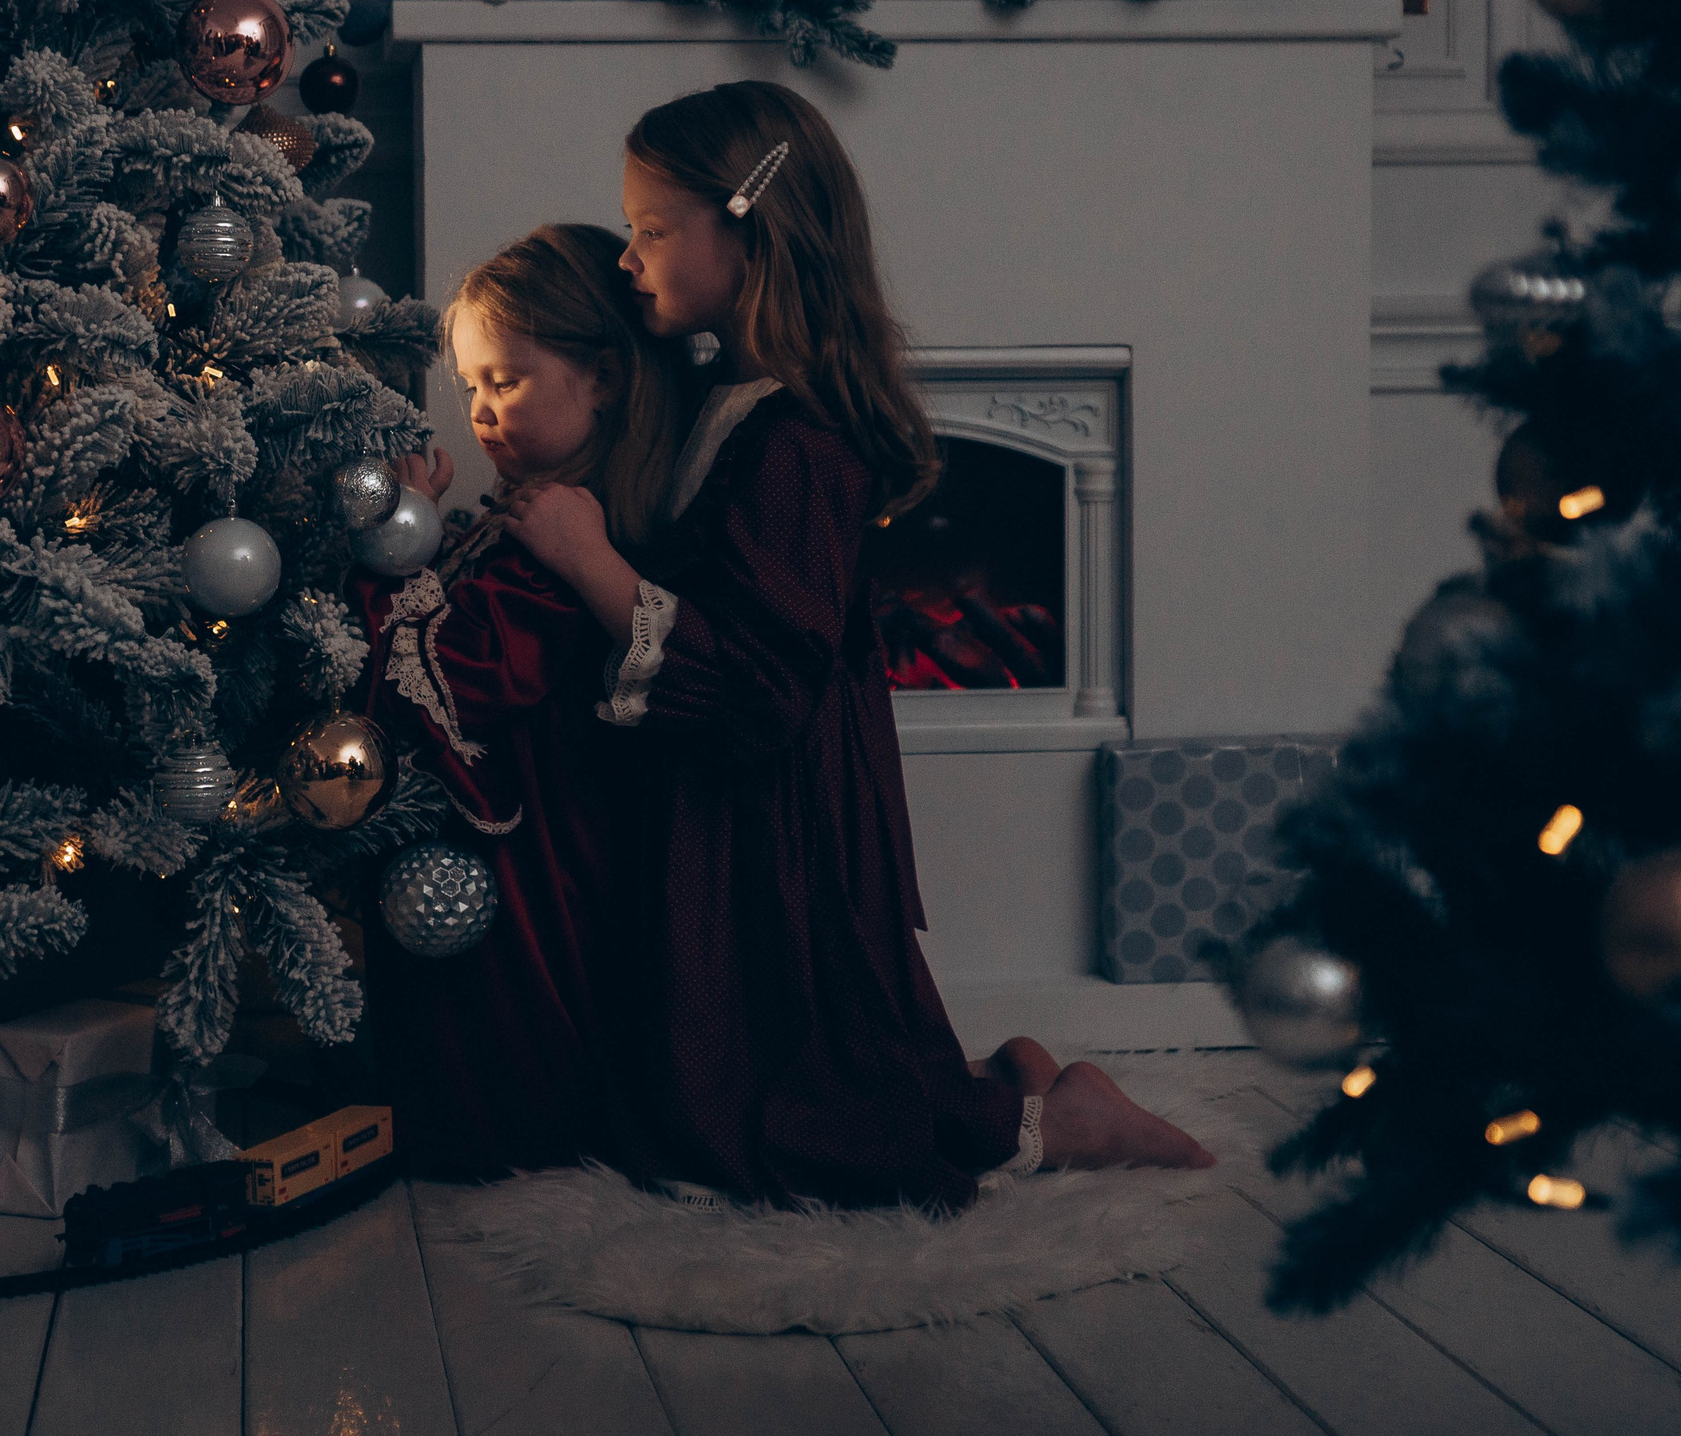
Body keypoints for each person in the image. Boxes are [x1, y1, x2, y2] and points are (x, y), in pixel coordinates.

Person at [498, 81, 1214, 1208]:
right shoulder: (722, 397)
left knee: (806, 1132)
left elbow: (763, 684)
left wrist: (594, 566)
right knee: (717, 1085)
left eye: (649, 230)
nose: (629, 259)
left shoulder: (800, 443)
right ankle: (1010, 1078)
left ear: (749, 232)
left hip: (779, 812)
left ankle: (1054, 1118)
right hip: (726, 805)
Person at [353, 223, 692, 1181]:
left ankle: (515, 1129)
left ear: (604, 378)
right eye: (469, 388)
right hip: (503, 838)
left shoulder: (570, 541)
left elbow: (464, 676)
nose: (482, 412)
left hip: (542, 844)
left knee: (518, 998)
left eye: (505, 381)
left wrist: (389, 567)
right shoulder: (514, 517)